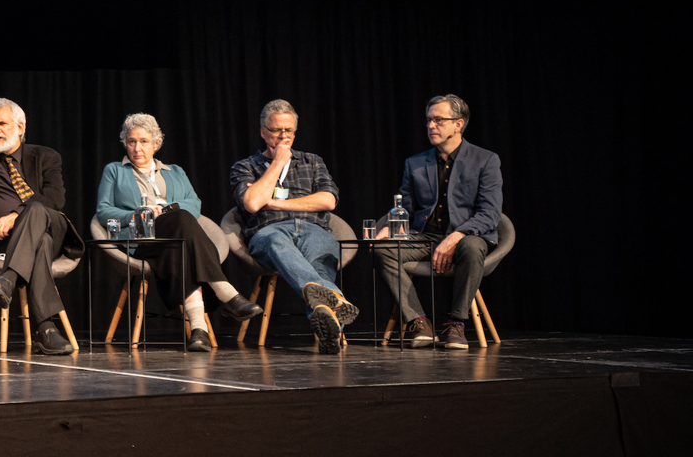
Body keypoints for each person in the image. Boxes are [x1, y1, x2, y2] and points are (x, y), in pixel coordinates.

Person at [96, 113, 263, 351]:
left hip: (175, 241)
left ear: (155, 143)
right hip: (140, 238)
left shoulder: (175, 171)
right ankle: (226, 293)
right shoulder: (114, 170)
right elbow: (103, 211)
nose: (137, 148)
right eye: (131, 141)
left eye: (143, 141)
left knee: (181, 239)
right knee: (181, 222)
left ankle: (199, 332)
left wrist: (165, 210)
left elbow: (194, 205)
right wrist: (141, 213)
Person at [0, 98, 84, 355]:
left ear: (20, 127)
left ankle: (8, 279)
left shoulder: (45, 156)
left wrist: (17, 215)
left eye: (2, 123)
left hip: (52, 226)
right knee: (39, 243)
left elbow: (55, 198)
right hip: (4, 240)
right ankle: (46, 329)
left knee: (38, 209)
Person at [230, 99, 359, 354]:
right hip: (269, 232)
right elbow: (253, 203)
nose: (283, 136)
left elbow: (329, 200)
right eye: (277, 130)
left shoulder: (313, 161)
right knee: (278, 243)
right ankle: (333, 299)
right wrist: (278, 162)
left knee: (321, 261)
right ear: (263, 132)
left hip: (314, 230)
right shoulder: (245, 167)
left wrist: (277, 203)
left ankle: (326, 319)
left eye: (289, 131)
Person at [375, 94, 502, 349]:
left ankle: (457, 324)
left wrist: (457, 236)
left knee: (473, 246)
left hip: (467, 237)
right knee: (383, 249)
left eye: (439, 120)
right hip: (426, 237)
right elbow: (406, 207)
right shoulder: (415, 163)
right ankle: (419, 322)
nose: (431, 126)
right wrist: (388, 227)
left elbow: (490, 212)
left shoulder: (485, 160)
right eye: (429, 120)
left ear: (458, 124)